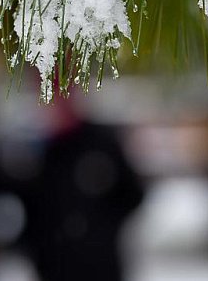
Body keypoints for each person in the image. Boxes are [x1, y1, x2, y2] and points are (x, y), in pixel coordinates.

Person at [19, 92, 145, 281]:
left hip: (99, 264)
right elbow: (28, 206)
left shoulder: (100, 143)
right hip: (54, 265)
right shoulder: (38, 150)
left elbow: (132, 194)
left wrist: (101, 230)